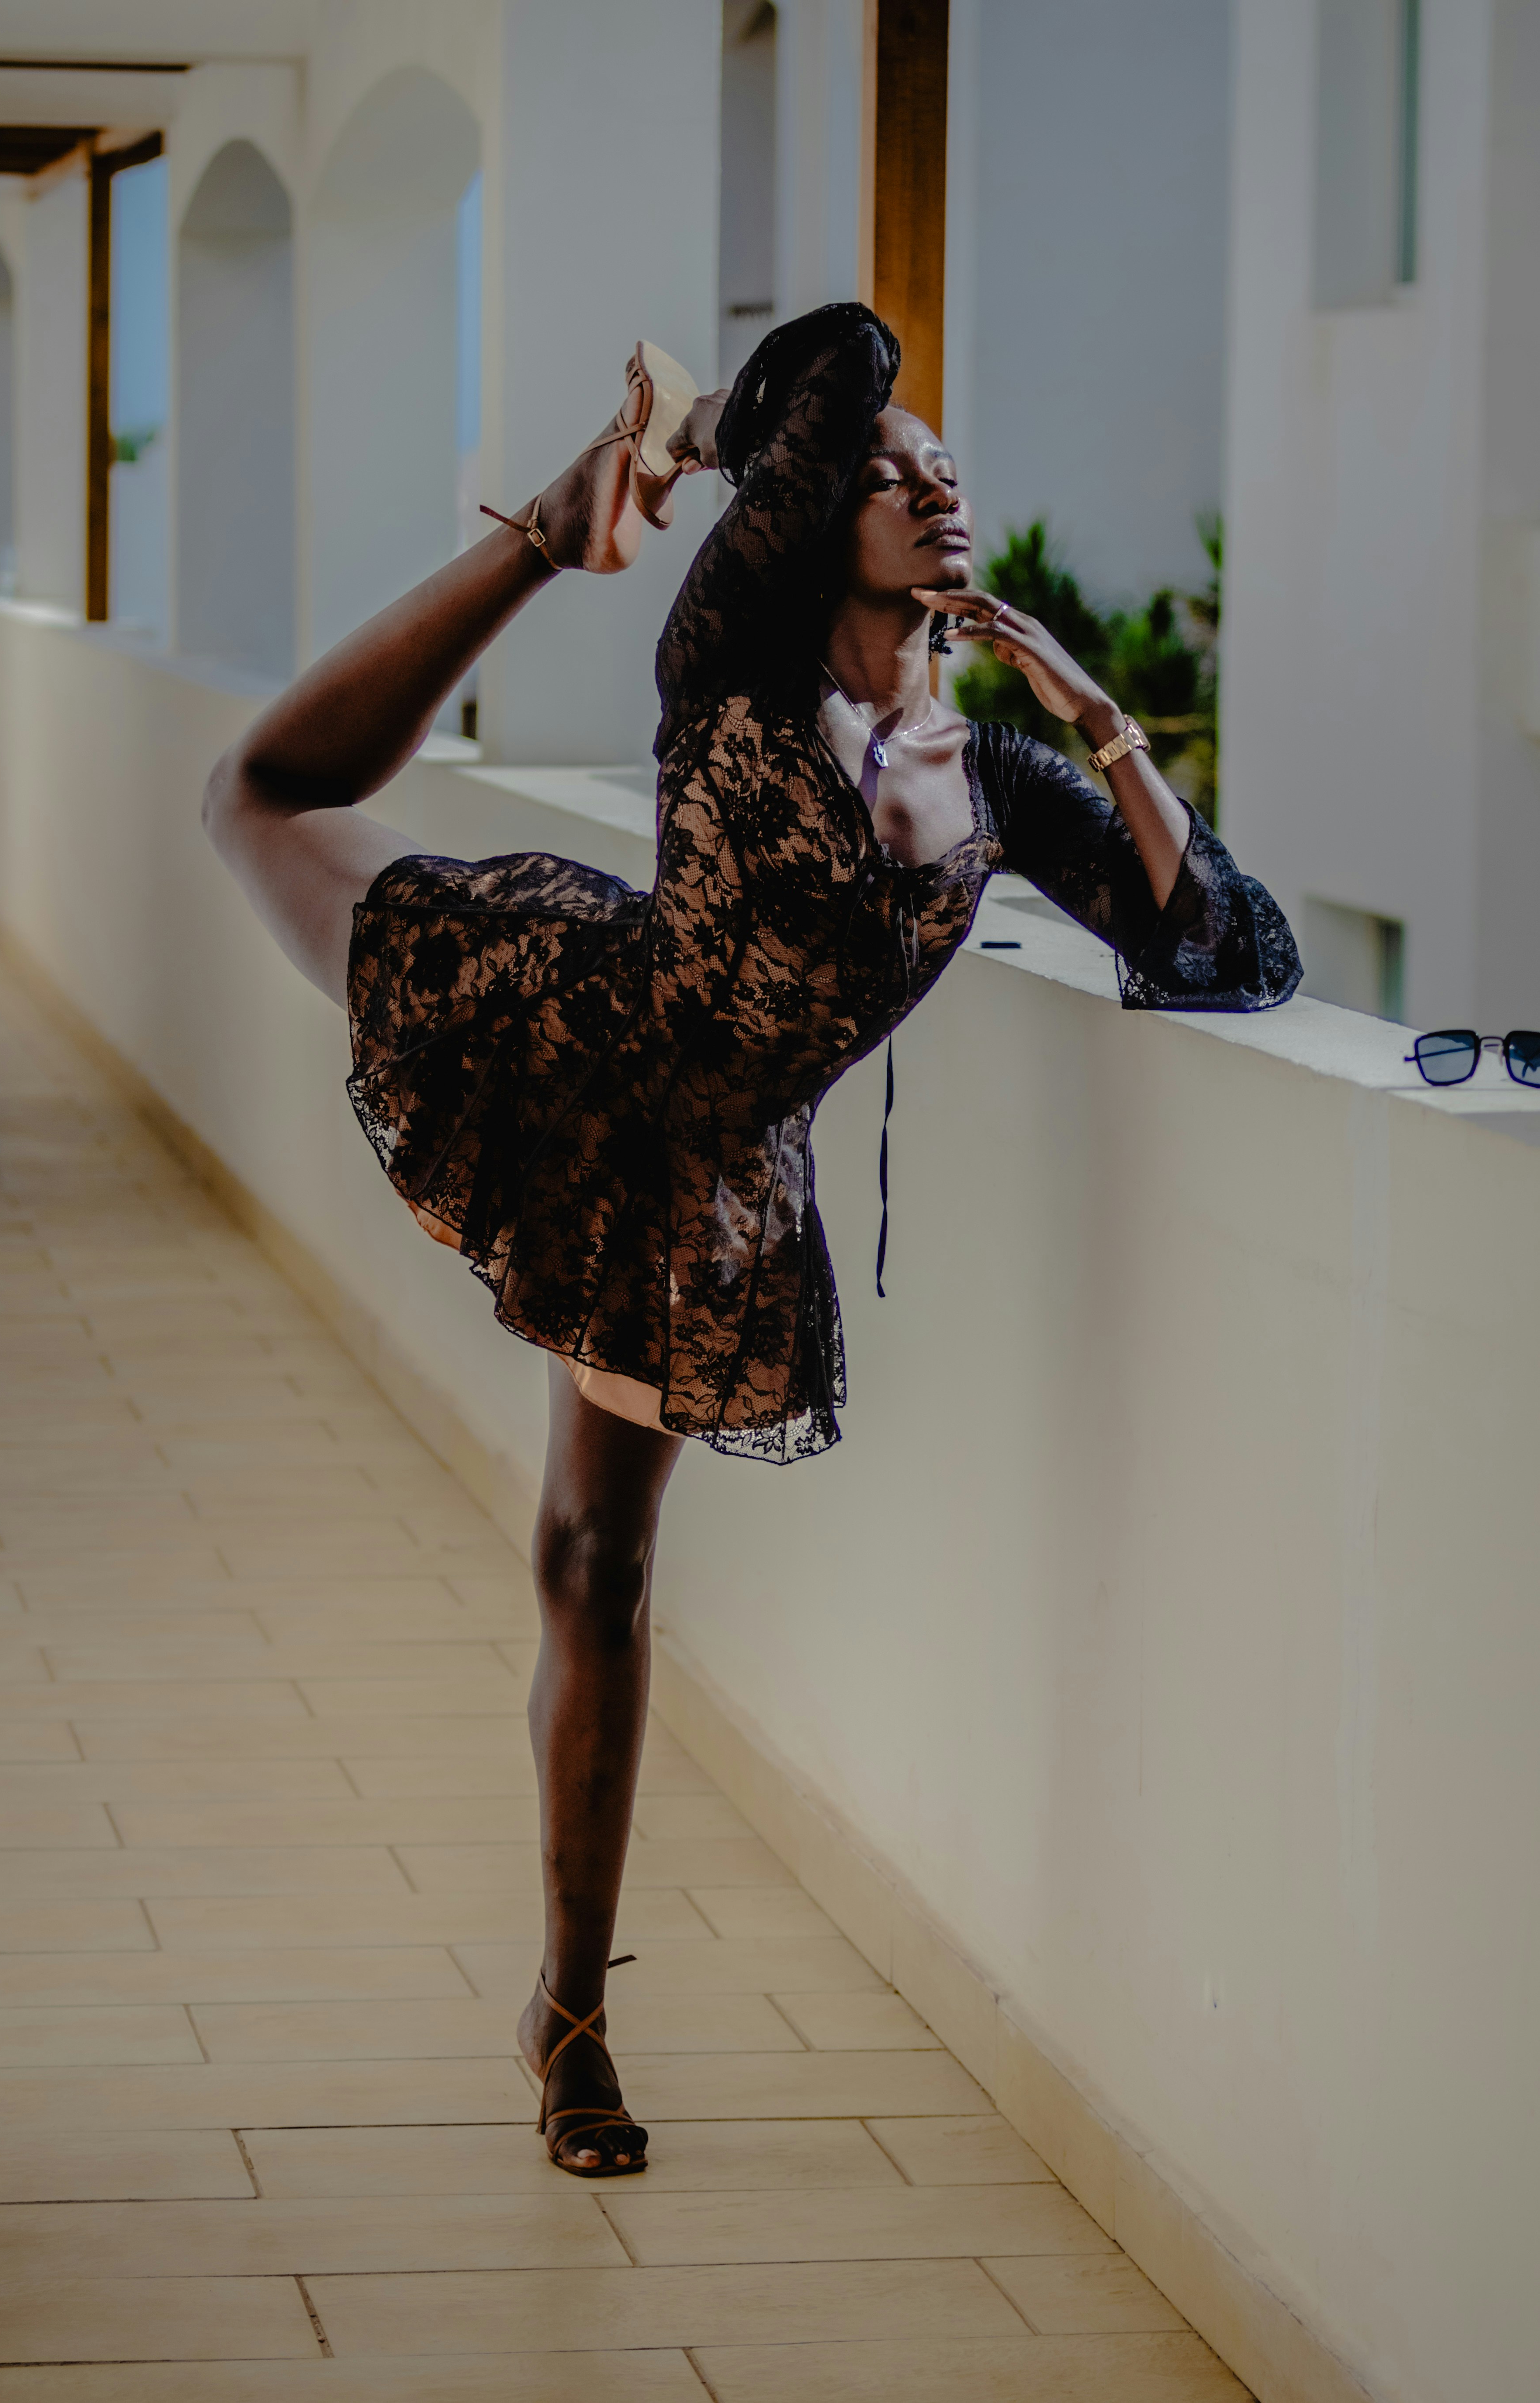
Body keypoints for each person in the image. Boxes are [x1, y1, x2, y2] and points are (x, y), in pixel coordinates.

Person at [203, 302, 1300, 2178]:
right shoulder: (729, 657)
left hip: (711, 1177)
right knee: (256, 797)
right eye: (891, 468)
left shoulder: (997, 781)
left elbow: (1231, 953)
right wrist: (696, 436)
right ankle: (551, 526)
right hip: (547, 1011)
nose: (934, 483)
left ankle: (563, 2011)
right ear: (814, 504)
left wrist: (1103, 727)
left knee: (596, 1567)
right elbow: (829, 381)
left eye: (950, 469)